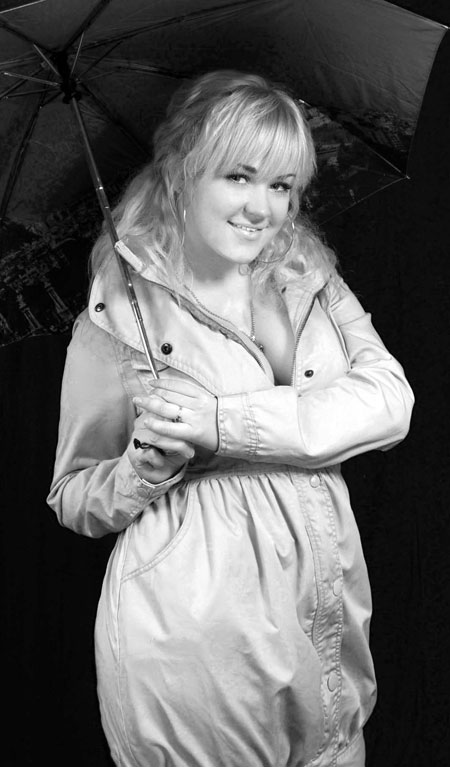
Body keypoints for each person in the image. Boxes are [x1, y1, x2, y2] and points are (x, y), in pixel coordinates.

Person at [47, 70, 414, 767]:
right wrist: (141, 468)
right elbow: (73, 498)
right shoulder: (118, 314)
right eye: (239, 177)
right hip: (192, 644)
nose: (261, 208)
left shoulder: (311, 278)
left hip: (327, 618)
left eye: (281, 185)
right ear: (184, 170)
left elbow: (391, 402)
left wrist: (220, 423)